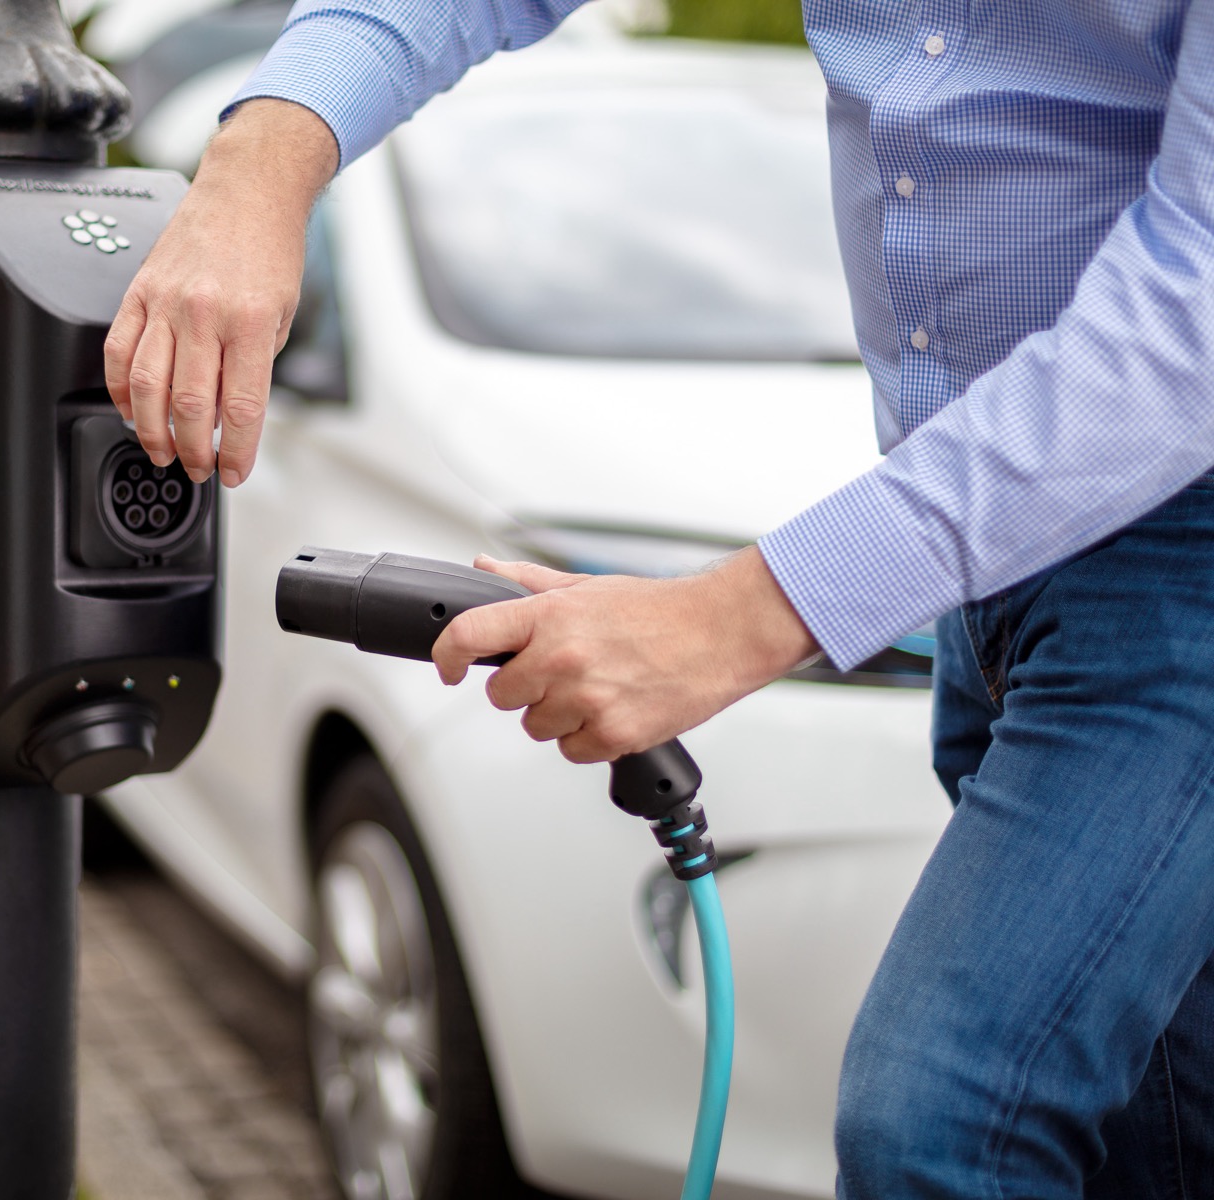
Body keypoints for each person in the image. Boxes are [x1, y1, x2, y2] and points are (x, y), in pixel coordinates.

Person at [103, 1, 1214, 1194]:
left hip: (1176, 558)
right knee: (1152, 1139)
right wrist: (255, 165)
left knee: (940, 1129)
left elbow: (1194, 314)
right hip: (979, 560)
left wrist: (727, 620)